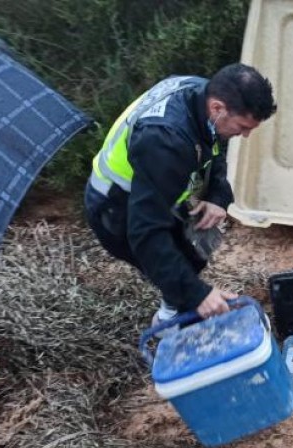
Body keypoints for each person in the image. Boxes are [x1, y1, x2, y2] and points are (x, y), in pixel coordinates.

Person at [84, 63, 276, 324]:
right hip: (116, 207)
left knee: (193, 255)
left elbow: (214, 145)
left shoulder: (200, 92)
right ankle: (170, 325)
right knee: (173, 264)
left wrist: (218, 195)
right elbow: (146, 233)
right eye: (242, 126)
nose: (245, 135)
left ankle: (174, 310)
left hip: (156, 187)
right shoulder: (165, 140)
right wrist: (197, 295)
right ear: (217, 108)